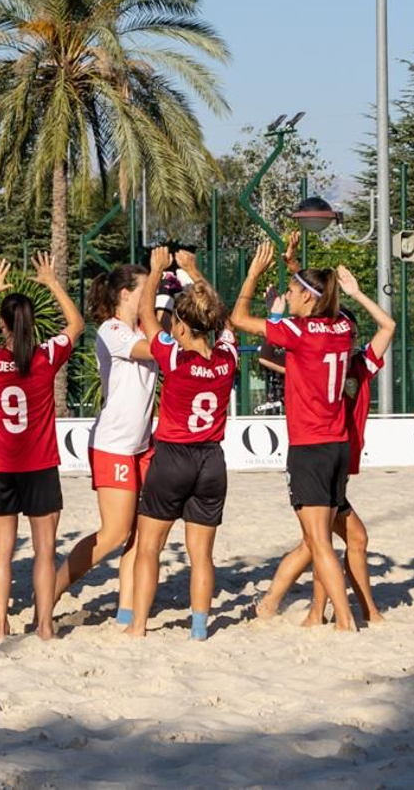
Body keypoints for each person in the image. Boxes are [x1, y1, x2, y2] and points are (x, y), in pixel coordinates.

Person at [252, 264, 396, 626]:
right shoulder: (316, 358)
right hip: (321, 453)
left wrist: (292, 298)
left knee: (320, 544)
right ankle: (297, 607)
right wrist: (281, 308)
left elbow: (385, 327)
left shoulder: (357, 365)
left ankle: (316, 611)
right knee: (320, 543)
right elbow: (270, 355)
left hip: (334, 456)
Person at [230, 243, 360, 632]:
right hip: (338, 444)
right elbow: (321, 297)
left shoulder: (298, 331)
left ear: (308, 296)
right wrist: (295, 267)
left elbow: (238, 318)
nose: (288, 294)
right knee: (315, 540)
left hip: (310, 446)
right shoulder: (344, 327)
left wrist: (253, 273)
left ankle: (346, 621)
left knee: (318, 543)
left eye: (292, 289)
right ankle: (282, 607)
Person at [0, 253, 83, 640]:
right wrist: (52, 282)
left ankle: (0, 624)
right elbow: (76, 324)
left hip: (1, 467)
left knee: (2, 551)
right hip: (41, 466)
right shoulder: (44, 358)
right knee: (44, 552)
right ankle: (45, 626)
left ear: (2, 325)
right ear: (32, 324)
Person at [124, 248, 238, 640]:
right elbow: (220, 318)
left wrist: (156, 270)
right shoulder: (228, 356)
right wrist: (192, 270)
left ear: (184, 328)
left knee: (149, 547)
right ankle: (200, 629)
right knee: (201, 554)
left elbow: (146, 317)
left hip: (172, 457)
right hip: (211, 461)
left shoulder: (174, 357)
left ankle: (137, 626)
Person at [51, 261, 156, 628]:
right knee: (114, 533)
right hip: (114, 443)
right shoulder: (112, 330)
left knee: (141, 531)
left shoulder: (144, 326)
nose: (152, 295)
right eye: (147, 288)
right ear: (126, 294)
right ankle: (52, 589)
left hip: (142, 443)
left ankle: (126, 610)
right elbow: (156, 351)